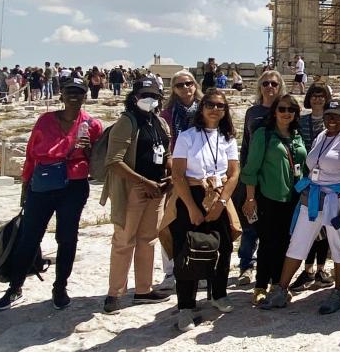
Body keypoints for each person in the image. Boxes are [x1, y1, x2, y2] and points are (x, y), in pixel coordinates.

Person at [0, 77, 104, 311]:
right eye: (69, 92)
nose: (74, 97)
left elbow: (97, 162)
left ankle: (60, 286)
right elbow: (32, 154)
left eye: (79, 93)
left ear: (85, 96)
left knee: (67, 237)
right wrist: (25, 185)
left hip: (73, 186)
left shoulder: (92, 125)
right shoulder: (45, 121)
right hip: (42, 184)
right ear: (61, 95)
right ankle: (15, 287)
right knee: (29, 236)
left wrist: (88, 148)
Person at [264, 98, 340, 314]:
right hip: (313, 197)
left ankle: (338, 292)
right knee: (298, 242)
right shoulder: (322, 135)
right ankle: (282, 290)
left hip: (336, 200)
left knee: (338, 246)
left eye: (337, 116)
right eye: (328, 115)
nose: (332, 120)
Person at [163, 89, 242, 331]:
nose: (215, 109)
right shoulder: (187, 137)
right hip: (192, 195)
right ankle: (186, 306)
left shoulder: (227, 138)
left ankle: (218, 294)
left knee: (224, 246)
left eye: (220, 105)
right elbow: (177, 174)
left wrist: (221, 203)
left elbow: (234, 173)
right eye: (210, 104)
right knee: (186, 248)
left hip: (219, 195)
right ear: (202, 107)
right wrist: (192, 208)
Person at [101, 77, 173, 313]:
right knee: (124, 240)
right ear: (134, 98)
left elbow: (166, 153)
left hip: (157, 190)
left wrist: (170, 175)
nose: (149, 100)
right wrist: (144, 182)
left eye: (153, 95)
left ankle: (143, 290)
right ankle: (114, 294)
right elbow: (114, 161)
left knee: (148, 239)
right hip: (133, 189)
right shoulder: (126, 122)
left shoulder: (160, 123)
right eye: (144, 95)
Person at [241, 93, 306, 306]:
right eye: (282, 109)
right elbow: (251, 169)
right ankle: (260, 285)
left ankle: (278, 285)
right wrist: (250, 199)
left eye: (291, 109)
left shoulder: (297, 135)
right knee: (268, 243)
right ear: (274, 111)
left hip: (293, 198)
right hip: (269, 196)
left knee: (285, 243)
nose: (286, 113)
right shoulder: (263, 135)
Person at [235, 70, 284, 287]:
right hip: (254, 175)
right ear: (260, 87)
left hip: (277, 176)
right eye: (265, 83)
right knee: (250, 222)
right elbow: (245, 145)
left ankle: (273, 269)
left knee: (274, 225)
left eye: (274, 83)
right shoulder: (252, 112)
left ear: (280, 86)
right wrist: (245, 175)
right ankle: (246, 265)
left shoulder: (286, 109)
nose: (269, 87)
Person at [158, 69, 203, 288]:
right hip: (175, 172)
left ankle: (200, 268)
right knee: (171, 221)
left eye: (189, 83)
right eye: (180, 85)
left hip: (201, 174)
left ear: (195, 85)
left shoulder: (207, 111)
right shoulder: (166, 115)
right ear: (173, 90)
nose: (186, 88)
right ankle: (170, 271)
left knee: (200, 222)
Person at [291, 83, 333, 291]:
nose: (317, 99)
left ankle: (321, 269)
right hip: (308, 180)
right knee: (308, 224)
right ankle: (307, 270)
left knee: (324, 226)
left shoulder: (332, 120)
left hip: (328, 179)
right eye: (314, 96)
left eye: (321, 96)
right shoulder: (302, 120)